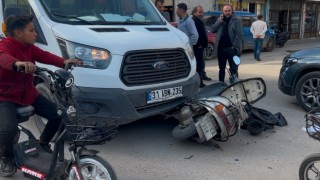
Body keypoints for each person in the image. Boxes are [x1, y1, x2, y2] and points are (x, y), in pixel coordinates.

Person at [0, 15, 82, 176]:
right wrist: (18, 64)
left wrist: (64, 62)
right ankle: (6, 158)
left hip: (29, 95)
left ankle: (43, 143)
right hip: (5, 97)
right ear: (18, 33)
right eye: (31, 30)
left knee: (58, 115)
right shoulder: (5, 46)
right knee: (8, 128)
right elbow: (3, 58)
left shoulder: (29, 47)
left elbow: (44, 55)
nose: (35, 33)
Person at [211, 4, 242, 83]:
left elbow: (239, 35)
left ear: (232, 11)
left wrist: (233, 46)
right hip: (221, 48)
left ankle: (234, 83)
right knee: (221, 68)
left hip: (231, 48)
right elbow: (213, 30)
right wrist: (219, 21)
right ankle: (221, 84)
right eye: (225, 11)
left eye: (229, 11)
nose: (227, 12)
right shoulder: (220, 20)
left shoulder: (237, 20)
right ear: (223, 12)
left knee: (233, 68)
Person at [191, 5, 211, 88]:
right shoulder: (193, 21)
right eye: (200, 12)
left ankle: (202, 77)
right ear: (195, 12)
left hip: (201, 46)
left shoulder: (200, 20)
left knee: (201, 64)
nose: (202, 13)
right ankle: (199, 82)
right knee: (199, 65)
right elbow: (195, 34)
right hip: (197, 47)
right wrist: (198, 44)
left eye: (202, 12)